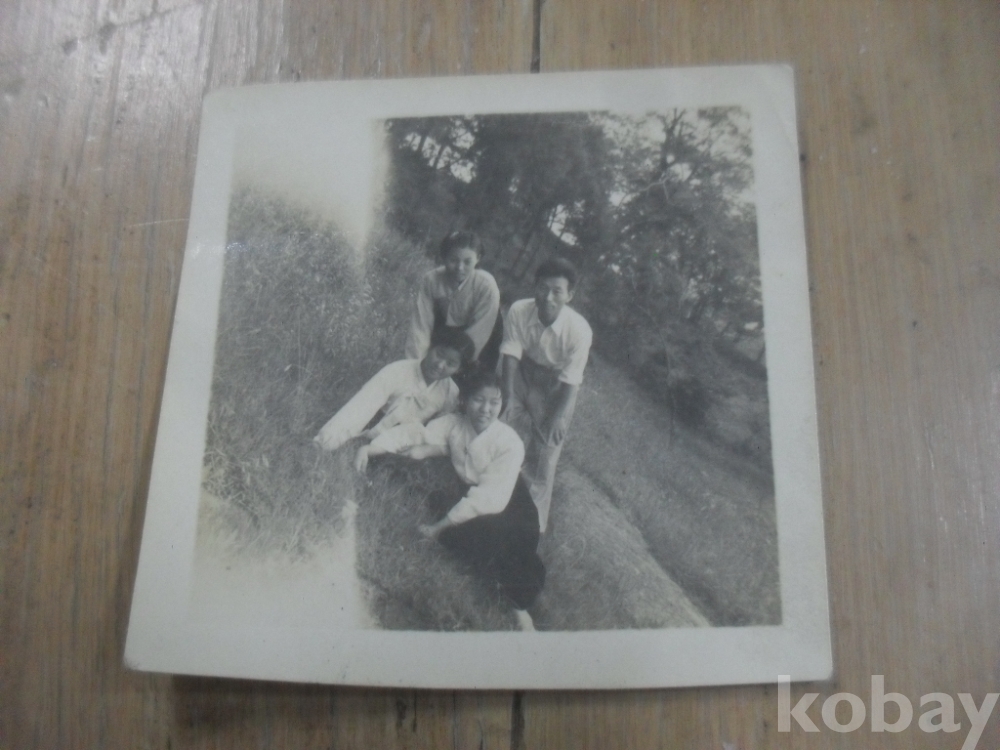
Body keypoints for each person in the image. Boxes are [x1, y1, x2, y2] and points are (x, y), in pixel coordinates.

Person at [356, 369, 545, 631]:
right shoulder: (454, 424)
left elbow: (490, 498)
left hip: (511, 506)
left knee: (504, 548)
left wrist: (438, 527)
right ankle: (502, 582)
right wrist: (371, 448)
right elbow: (415, 434)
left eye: (494, 402)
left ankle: (521, 610)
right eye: (479, 400)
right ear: (464, 400)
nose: (486, 409)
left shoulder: (509, 443)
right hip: (478, 500)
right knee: (459, 542)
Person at [499, 258, 592, 534]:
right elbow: (511, 354)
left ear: (569, 295)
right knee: (498, 422)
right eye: (542, 288)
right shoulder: (519, 309)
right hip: (521, 371)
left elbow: (571, 379)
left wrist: (557, 417)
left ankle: (531, 527)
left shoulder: (579, 330)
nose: (548, 297)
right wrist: (506, 395)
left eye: (557, 291)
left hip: (555, 386)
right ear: (535, 287)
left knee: (544, 454)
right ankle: (486, 489)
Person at [313, 328, 475, 453]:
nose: (440, 365)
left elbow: (438, 431)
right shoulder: (397, 371)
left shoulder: (450, 393)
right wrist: (325, 441)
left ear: (459, 369)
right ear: (430, 347)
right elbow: (360, 407)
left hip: (401, 445)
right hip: (372, 431)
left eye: (450, 364)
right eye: (439, 354)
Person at [404, 231, 503, 372]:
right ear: (444, 257)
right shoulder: (431, 280)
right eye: (453, 260)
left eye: (467, 262)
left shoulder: (486, 286)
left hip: (482, 339)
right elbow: (421, 326)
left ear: (478, 259)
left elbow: (480, 332)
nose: (460, 268)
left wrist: (455, 363)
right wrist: (414, 366)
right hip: (447, 330)